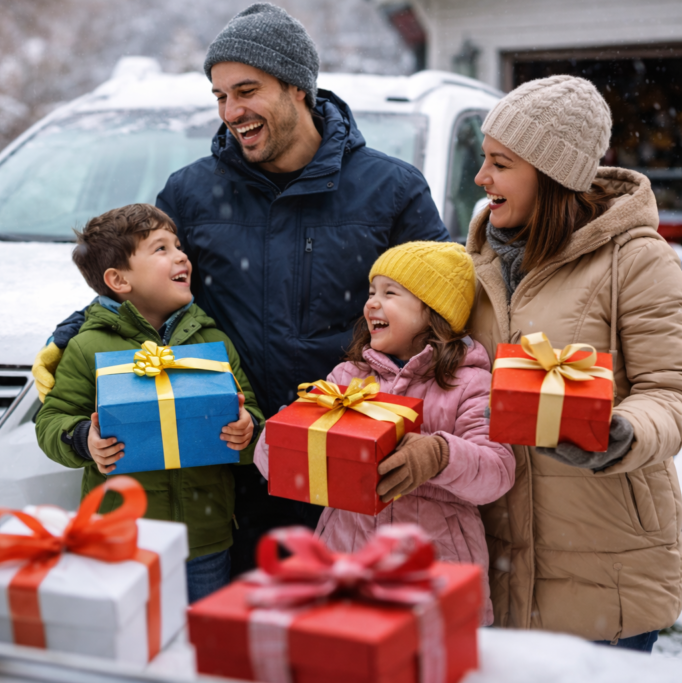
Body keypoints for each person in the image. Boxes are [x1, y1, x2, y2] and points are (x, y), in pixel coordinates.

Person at [33, 3, 450, 573]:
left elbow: (445, 312)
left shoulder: (390, 189)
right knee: (235, 642)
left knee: (338, 637)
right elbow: (144, 281)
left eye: (246, 90)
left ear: (297, 87)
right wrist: (72, 332)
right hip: (229, 460)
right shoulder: (192, 193)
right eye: (220, 95)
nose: (231, 111)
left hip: (346, 456)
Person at [466, 74, 682, 651]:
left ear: (550, 173)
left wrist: (626, 432)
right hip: (495, 553)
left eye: (500, 163)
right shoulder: (477, 259)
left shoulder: (636, 260)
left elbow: (670, 391)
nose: (481, 178)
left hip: (604, 557)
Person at [252, 241, 515, 624]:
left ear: (433, 312)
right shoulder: (348, 377)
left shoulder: (470, 383)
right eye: (371, 292)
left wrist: (439, 454)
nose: (371, 303)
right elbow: (274, 468)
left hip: (435, 571)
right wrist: (283, 435)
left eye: (390, 293)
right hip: (347, 561)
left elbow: (498, 472)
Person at [34, 204, 264, 603]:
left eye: (178, 245)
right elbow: (52, 420)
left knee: (199, 648)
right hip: (120, 538)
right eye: (161, 249)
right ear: (118, 279)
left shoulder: (212, 342)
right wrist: (83, 439)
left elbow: (253, 413)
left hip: (205, 539)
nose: (181, 255)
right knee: (130, 641)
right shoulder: (88, 346)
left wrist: (247, 430)